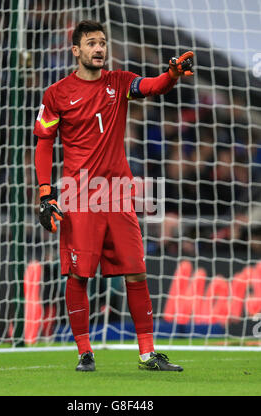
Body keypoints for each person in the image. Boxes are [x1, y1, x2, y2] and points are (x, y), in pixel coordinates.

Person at [33, 20, 194, 372]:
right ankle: (84, 351)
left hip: (119, 195)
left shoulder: (119, 82)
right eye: (91, 43)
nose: (99, 48)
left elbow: (151, 87)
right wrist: (46, 194)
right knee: (78, 276)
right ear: (76, 50)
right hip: (80, 196)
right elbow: (44, 143)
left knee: (136, 271)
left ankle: (147, 353)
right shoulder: (57, 94)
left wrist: (172, 76)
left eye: (102, 42)